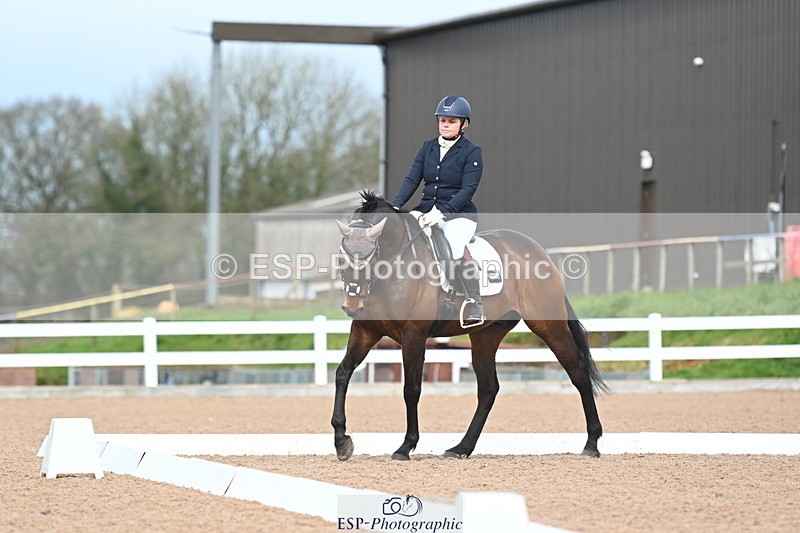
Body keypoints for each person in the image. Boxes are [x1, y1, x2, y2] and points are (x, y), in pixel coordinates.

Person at [391, 95, 485, 324]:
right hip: (425, 211)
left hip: (458, 215)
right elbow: (412, 179)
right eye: (442, 120)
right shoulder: (427, 147)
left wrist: (442, 212)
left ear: (464, 124)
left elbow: (468, 189)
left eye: (452, 121)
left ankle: (474, 303)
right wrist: (395, 205)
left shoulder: (472, 152)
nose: (445, 124)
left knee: (453, 249)